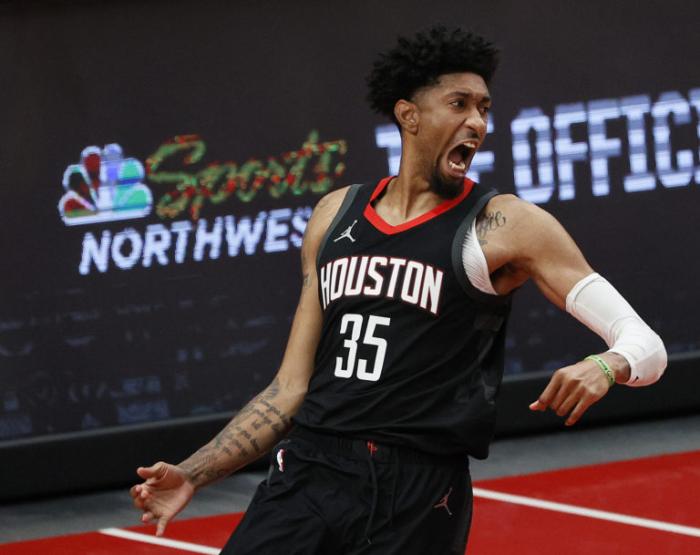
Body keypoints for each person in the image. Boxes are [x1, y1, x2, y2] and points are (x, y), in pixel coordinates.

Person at [130, 26, 667, 554]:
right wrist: (193, 473)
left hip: (419, 490)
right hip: (311, 470)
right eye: (459, 104)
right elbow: (289, 388)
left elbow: (645, 344)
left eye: (484, 108)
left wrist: (606, 366)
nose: (477, 122)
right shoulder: (334, 215)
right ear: (409, 115)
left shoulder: (506, 225)